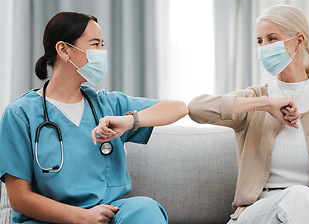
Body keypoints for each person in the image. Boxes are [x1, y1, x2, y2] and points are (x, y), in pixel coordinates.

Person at [0, 12, 188, 224]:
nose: (102, 52)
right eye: (95, 44)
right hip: (50, 220)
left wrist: (129, 121)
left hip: (108, 215)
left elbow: (178, 108)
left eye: (102, 44)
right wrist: (83, 217)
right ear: (63, 49)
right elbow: (20, 199)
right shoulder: (19, 114)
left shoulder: (108, 104)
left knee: (144, 209)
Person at [188, 5, 309, 224]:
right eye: (259, 41)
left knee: (302, 197)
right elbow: (196, 108)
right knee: (298, 195)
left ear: (299, 41)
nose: (264, 47)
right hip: (260, 214)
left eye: (272, 39)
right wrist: (264, 103)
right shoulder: (255, 98)